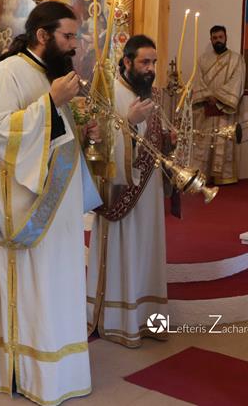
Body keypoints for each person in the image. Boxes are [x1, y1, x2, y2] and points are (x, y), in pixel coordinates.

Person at [0, 1, 101, 404]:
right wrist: (50, 102)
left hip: (60, 207)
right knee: (36, 287)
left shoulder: (52, 74)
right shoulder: (8, 72)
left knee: (61, 283)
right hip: (28, 206)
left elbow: (57, 134)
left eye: (76, 36)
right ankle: (28, 371)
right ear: (42, 35)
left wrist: (80, 125)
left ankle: (60, 367)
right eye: (68, 36)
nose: (75, 45)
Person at [87, 34, 169, 347]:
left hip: (149, 192)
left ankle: (151, 321)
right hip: (121, 193)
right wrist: (130, 123)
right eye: (145, 62)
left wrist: (169, 139)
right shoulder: (107, 93)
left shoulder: (153, 94)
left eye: (154, 63)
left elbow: (157, 142)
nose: (151, 69)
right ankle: (118, 321)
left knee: (148, 252)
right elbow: (96, 148)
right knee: (127, 253)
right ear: (127, 62)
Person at [191, 25, 245, 185]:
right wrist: (208, 96)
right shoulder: (203, 59)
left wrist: (218, 98)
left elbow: (237, 80)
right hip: (206, 107)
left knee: (224, 141)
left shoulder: (236, 59)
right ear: (211, 39)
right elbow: (197, 80)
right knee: (204, 142)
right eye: (214, 38)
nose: (218, 40)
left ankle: (223, 177)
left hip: (225, 109)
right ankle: (202, 175)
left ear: (226, 37)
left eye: (220, 37)